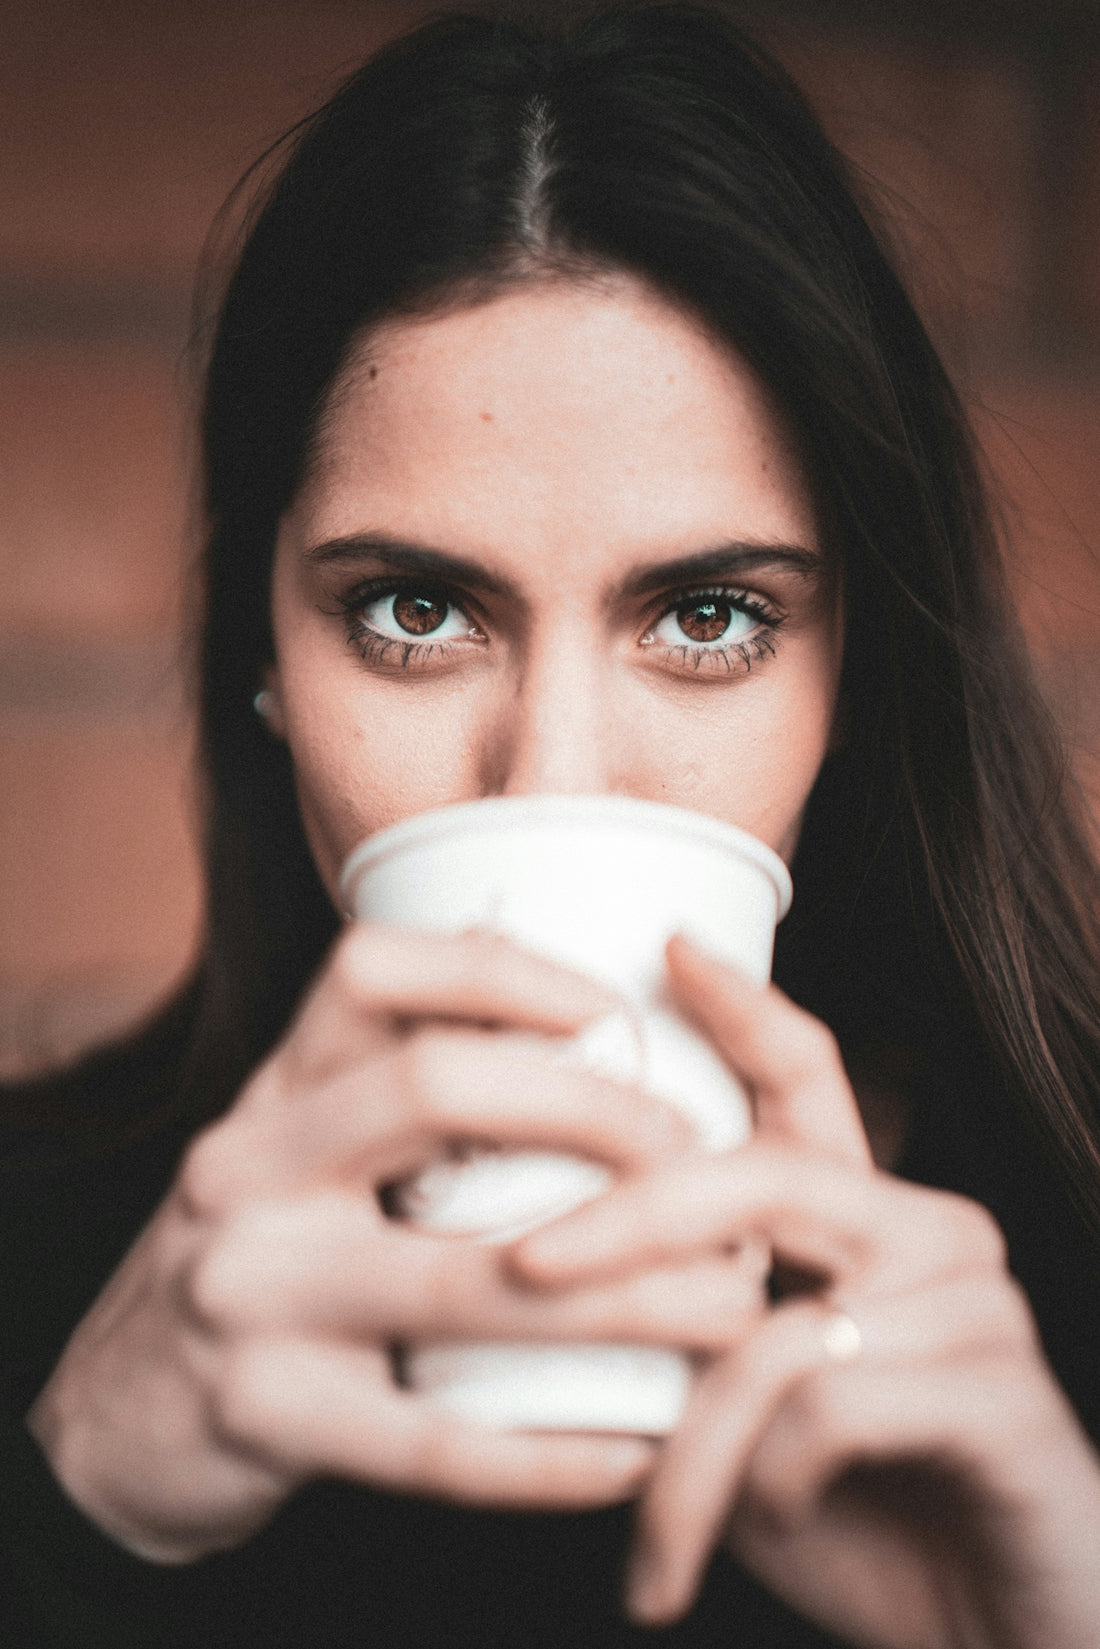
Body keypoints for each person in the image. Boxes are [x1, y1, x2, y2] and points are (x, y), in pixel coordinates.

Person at [3, 5, 1100, 1645]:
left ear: (859, 676)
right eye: (417, 608)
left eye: (712, 616)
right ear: (264, 656)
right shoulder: (43, 1281)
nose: (555, 782)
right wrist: (68, 1511)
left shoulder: (1065, 1310)